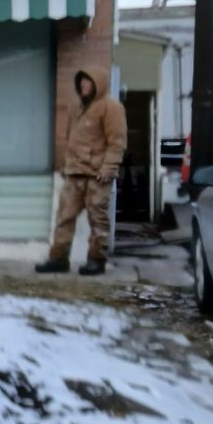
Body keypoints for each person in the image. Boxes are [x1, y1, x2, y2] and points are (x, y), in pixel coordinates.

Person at [37, 65, 126, 277]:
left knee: (98, 221)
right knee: (63, 218)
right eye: (82, 81)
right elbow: (70, 139)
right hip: (74, 173)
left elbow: (117, 142)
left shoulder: (111, 108)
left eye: (88, 81)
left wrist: (109, 168)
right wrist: (64, 165)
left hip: (97, 176)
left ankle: (96, 261)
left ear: (99, 84)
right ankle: (58, 259)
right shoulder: (76, 108)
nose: (83, 85)